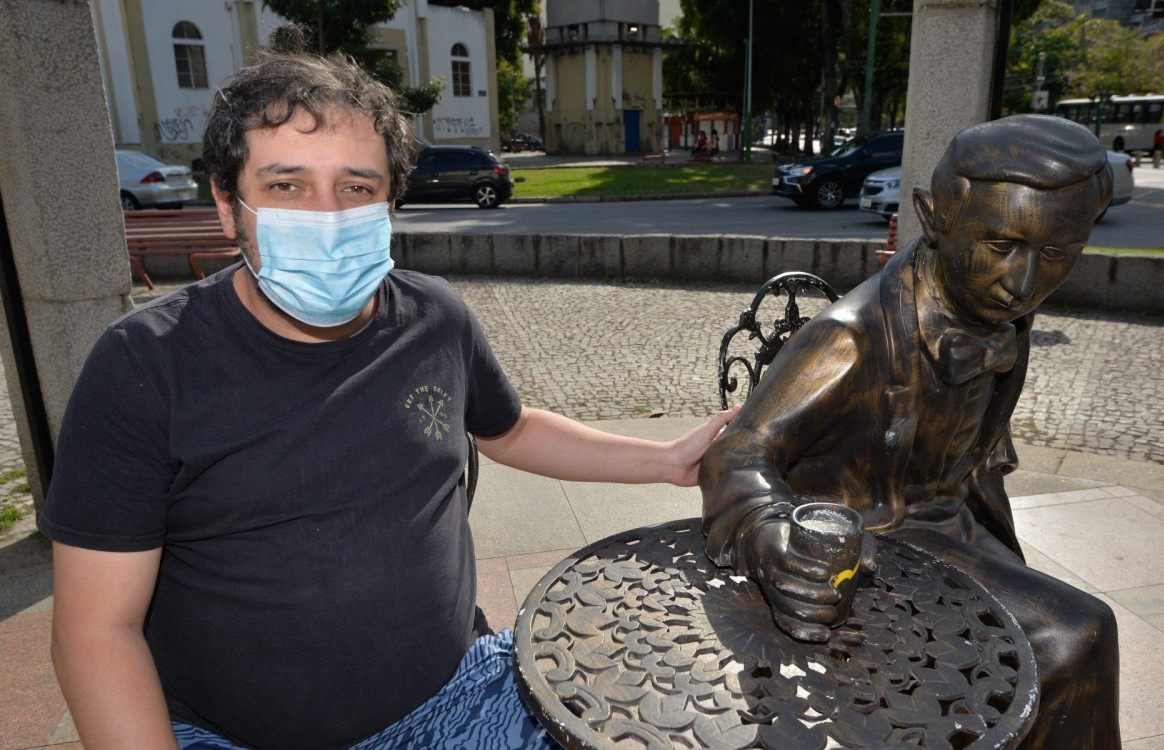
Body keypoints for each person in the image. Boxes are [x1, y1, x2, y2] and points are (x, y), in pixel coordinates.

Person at [39, 52, 735, 750]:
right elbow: (96, 631)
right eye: (287, 185)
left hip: (463, 701)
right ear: (229, 204)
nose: (328, 217)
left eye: (356, 187)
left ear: (390, 203)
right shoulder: (143, 365)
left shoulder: (435, 316)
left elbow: (511, 428)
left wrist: (666, 459)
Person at [700, 114, 1121, 749]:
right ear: (932, 216)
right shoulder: (851, 338)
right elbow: (737, 454)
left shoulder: (1002, 315)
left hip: (959, 536)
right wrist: (770, 533)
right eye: (1001, 245)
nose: (1025, 283)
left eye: (1057, 253)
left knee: (1039, 653)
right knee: (1078, 636)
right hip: (871, 551)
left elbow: (978, 456)